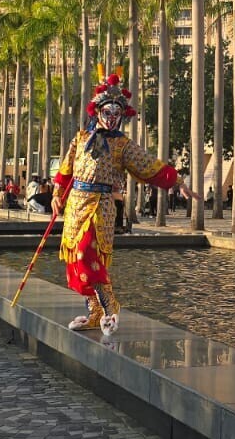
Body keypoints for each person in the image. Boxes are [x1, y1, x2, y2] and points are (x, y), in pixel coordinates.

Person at [53, 71, 189, 335]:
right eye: (108, 111)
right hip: (75, 207)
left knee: (88, 255)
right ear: (98, 111)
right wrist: (57, 194)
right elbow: (66, 169)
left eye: (117, 112)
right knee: (76, 264)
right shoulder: (80, 138)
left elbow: (148, 165)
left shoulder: (122, 145)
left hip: (99, 206)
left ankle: (110, 306)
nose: (112, 116)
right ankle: (95, 312)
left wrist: (177, 181)